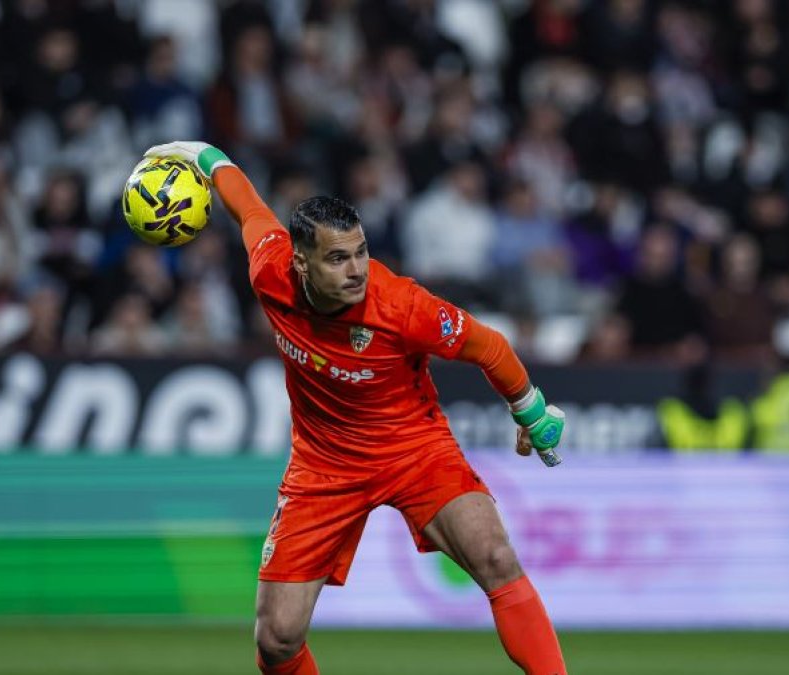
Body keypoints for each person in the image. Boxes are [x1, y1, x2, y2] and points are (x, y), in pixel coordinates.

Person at [143, 141, 568, 675]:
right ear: (301, 262)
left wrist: (529, 411)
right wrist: (197, 153)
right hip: (323, 465)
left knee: (496, 560)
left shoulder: (404, 306)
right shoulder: (269, 271)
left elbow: (489, 346)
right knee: (276, 639)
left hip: (414, 448)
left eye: (361, 252)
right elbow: (245, 204)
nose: (357, 270)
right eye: (338, 258)